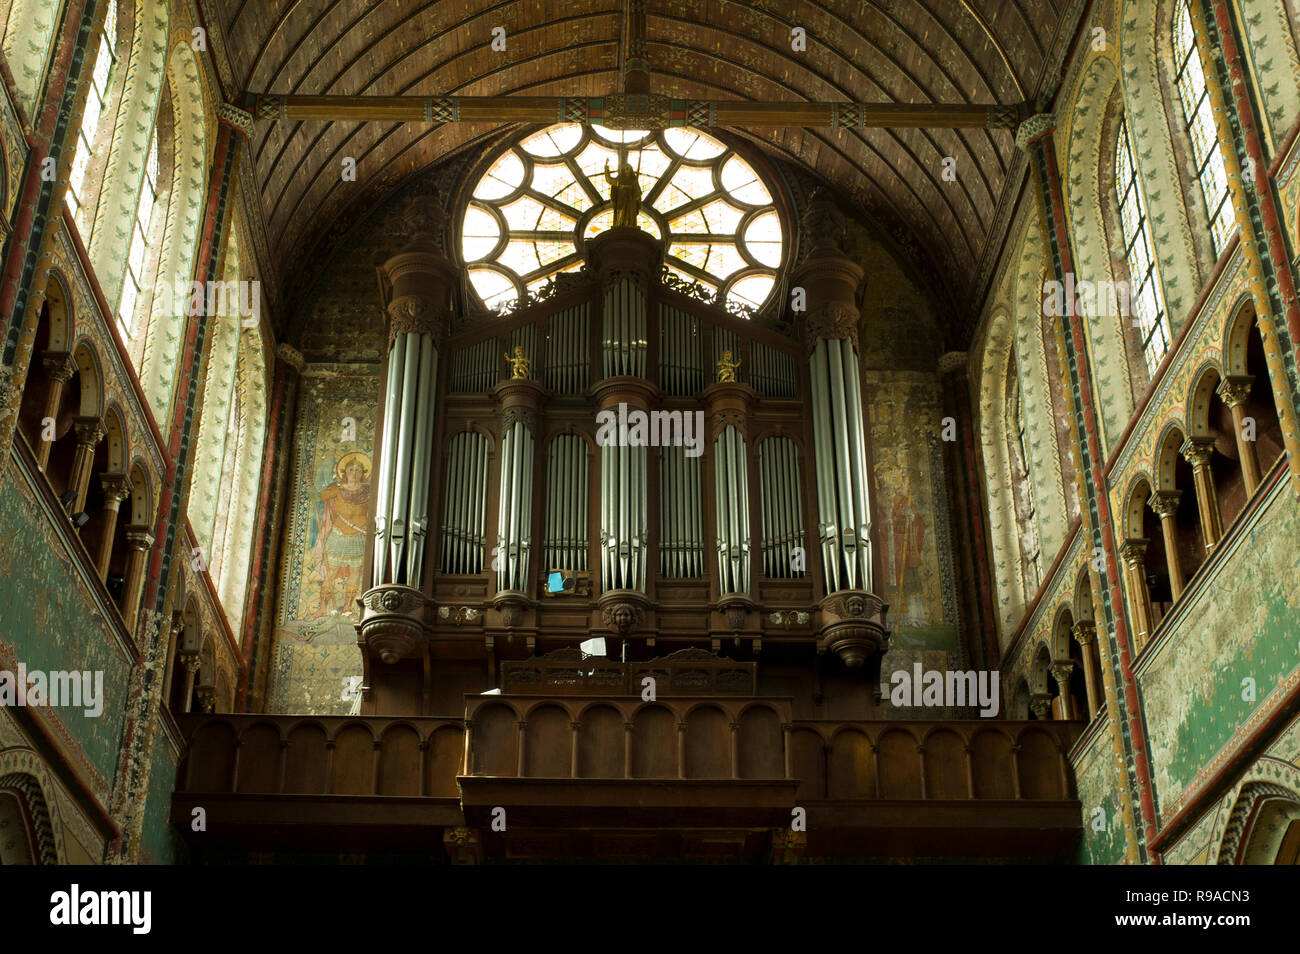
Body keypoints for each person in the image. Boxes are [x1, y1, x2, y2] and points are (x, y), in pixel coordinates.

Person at [315, 452, 371, 616]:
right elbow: (321, 496)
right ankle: (323, 609)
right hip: (338, 536)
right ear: (344, 473)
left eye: (358, 470)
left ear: (363, 473)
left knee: (355, 573)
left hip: (358, 537)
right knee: (331, 571)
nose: (355, 473)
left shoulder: (368, 492)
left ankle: (347, 607)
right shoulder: (336, 489)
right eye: (351, 470)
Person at [604, 160, 642, 228]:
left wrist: (637, 196)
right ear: (623, 170)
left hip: (631, 199)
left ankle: (631, 224)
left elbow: (638, 191)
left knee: (630, 213)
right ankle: (620, 223)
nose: (627, 169)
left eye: (628, 168)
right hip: (621, 199)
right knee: (621, 212)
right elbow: (609, 180)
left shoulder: (634, 180)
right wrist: (606, 167)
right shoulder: (619, 180)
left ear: (631, 170)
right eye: (626, 168)